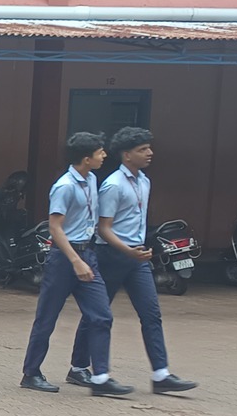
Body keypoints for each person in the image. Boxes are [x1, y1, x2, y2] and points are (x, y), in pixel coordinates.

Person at [67, 127, 198, 395]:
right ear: (127, 155)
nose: (150, 153)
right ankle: (79, 367)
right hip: (111, 256)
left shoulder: (144, 182)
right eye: (142, 149)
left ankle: (161, 374)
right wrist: (128, 251)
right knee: (98, 315)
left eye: (149, 147)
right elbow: (103, 229)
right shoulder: (113, 185)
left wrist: (137, 251)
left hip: (137, 257)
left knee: (151, 314)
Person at [19, 133, 122, 396]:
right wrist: (76, 261)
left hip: (88, 254)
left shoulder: (92, 180)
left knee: (101, 315)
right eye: (100, 152)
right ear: (86, 158)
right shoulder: (64, 186)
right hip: (64, 258)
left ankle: (93, 374)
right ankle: (31, 373)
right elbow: (55, 227)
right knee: (47, 318)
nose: (104, 156)